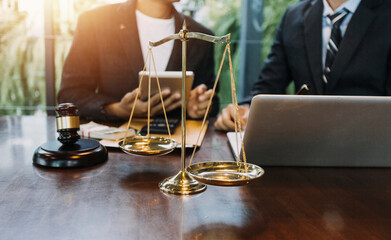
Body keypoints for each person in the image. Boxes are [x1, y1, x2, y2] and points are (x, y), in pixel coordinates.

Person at [215, 0, 391, 131]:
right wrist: (244, 110)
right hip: (303, 143)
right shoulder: (293, 16)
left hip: (370, 145)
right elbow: (269, 86)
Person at [58, 0, 217, 122]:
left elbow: (213, 100)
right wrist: (116, 109)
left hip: (179, 153)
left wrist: (200, 106)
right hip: (115, 155)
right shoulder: (95, 23)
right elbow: (70, 94)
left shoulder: (201, 36)